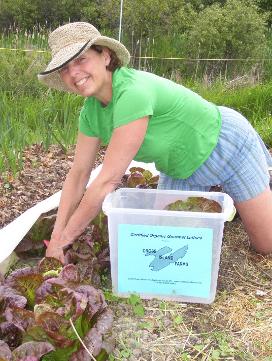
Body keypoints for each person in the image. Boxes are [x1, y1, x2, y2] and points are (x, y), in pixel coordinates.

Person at [38, 22, 272, 262]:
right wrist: (56, 236)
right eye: (65, 68)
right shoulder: (90, 113)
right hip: (181, 171)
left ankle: (259, 184)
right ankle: (245, 198)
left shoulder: (132, 92)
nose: (73, 73)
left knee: (266, 247)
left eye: (81, 60)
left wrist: (64, 241)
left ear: (106, 56)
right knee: (168, 252)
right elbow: (78, 174)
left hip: (226, 148)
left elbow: (107, 180)